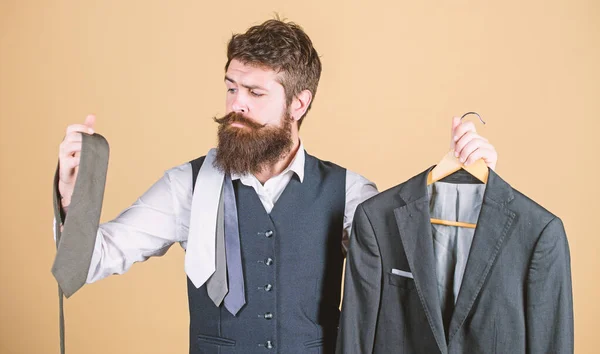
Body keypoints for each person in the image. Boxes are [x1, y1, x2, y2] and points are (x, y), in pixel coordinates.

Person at [56, 18, 498, 354]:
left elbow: (415, 269)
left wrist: (470, 185)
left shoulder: (349, 192)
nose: (236, 106)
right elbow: (91, 260)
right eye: (231, 88)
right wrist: (73, 197)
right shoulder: (187, 186)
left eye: (254, 92)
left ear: (298, 103)